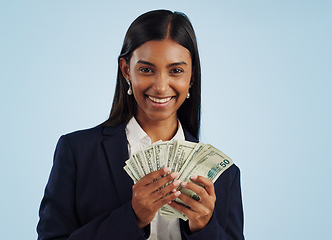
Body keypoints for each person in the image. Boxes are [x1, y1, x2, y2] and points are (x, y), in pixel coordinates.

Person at [37, 10, 244, 240]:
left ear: (192, 75)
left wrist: (205, 228)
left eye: (176, 71)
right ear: (126, 70)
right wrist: (131, 217)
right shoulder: (78, 152)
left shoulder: (225, 176)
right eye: (146, 70)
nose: (161, 86)